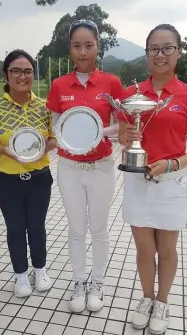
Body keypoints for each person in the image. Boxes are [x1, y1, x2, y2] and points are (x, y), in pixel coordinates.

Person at [117, 24, 187, 334]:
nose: (160, 55)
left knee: (167, 249)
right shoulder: (131, 95)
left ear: (178, 52)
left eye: (167, 48)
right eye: (154, 49)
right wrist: (127, 135)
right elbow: (121, 135)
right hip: (137, 181)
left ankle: (162, 301)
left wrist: (173, 163)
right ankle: (146, 299)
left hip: (172, 182)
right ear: (146, 54)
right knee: (144, 249)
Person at [46, 19, 123, 313]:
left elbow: (120, 124)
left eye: (88, 45)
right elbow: (56, 126)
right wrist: (69, 138)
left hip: (102, 165)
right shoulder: (59, 85)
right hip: (69, 168)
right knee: (77, 229)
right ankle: (79, 281)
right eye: (77, 46)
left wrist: (96, 133)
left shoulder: (111, 83)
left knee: (100, 230)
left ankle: (97, 282)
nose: (82, 52)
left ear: (97, 47)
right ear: (70, 49)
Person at [0, 50, 57, 298]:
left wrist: (40, 149)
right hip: (7, 181)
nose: (22, 76)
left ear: (33, 75)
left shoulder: (44, 107)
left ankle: (40, 269)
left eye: (27, 71)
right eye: (16, 70)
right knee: (15, 228)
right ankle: (21, 274)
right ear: (6, 74)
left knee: (37, 226)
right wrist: (6, 150)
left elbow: (54, 138)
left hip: (39, 178)